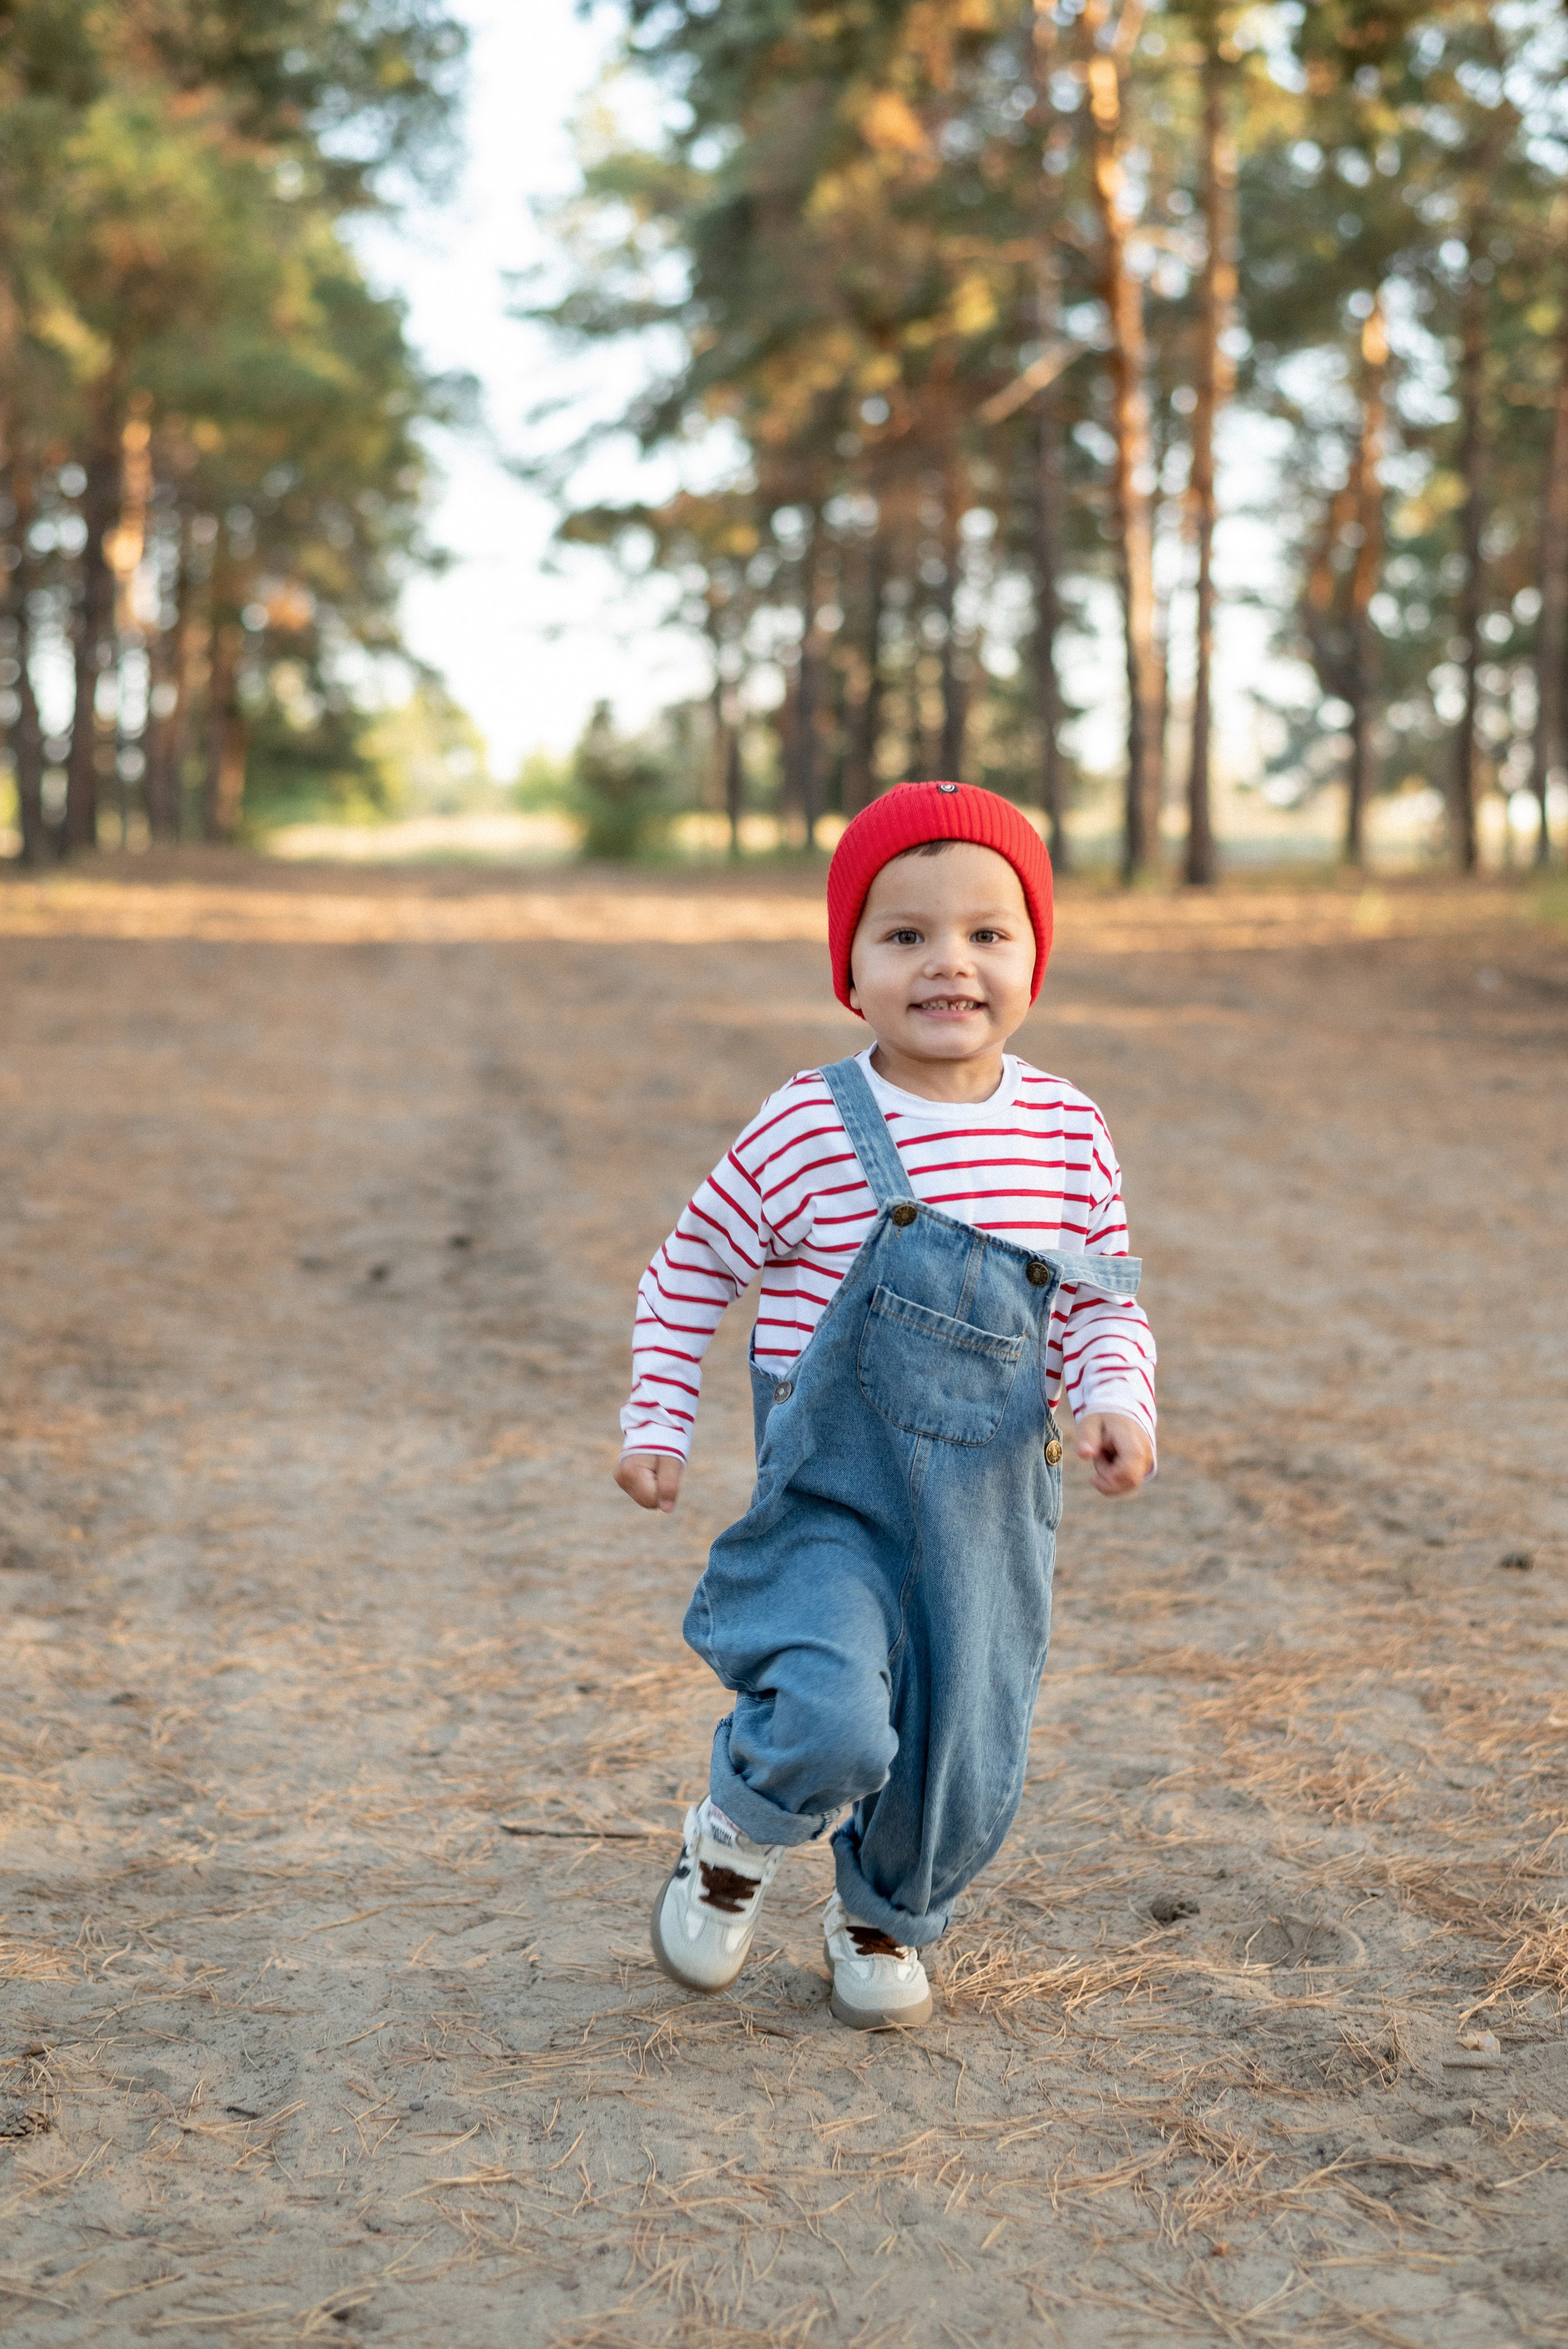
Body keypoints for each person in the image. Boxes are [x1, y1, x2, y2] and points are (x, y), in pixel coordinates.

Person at [614, 780, 1156, 2029]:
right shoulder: (809, 1124)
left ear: (1034, 956)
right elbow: (689, 1264)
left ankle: (880, 1911)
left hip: (989, 1502)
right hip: (831, 1496)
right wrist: (658, 1418)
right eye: (903, 934)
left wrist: (1112, 1395)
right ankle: (733, 1836)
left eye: (986, 933)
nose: (947, 965)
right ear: (849, 967)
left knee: (965, 1742)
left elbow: (1098, 1300)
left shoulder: (1067, 1130)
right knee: (833, 1716)